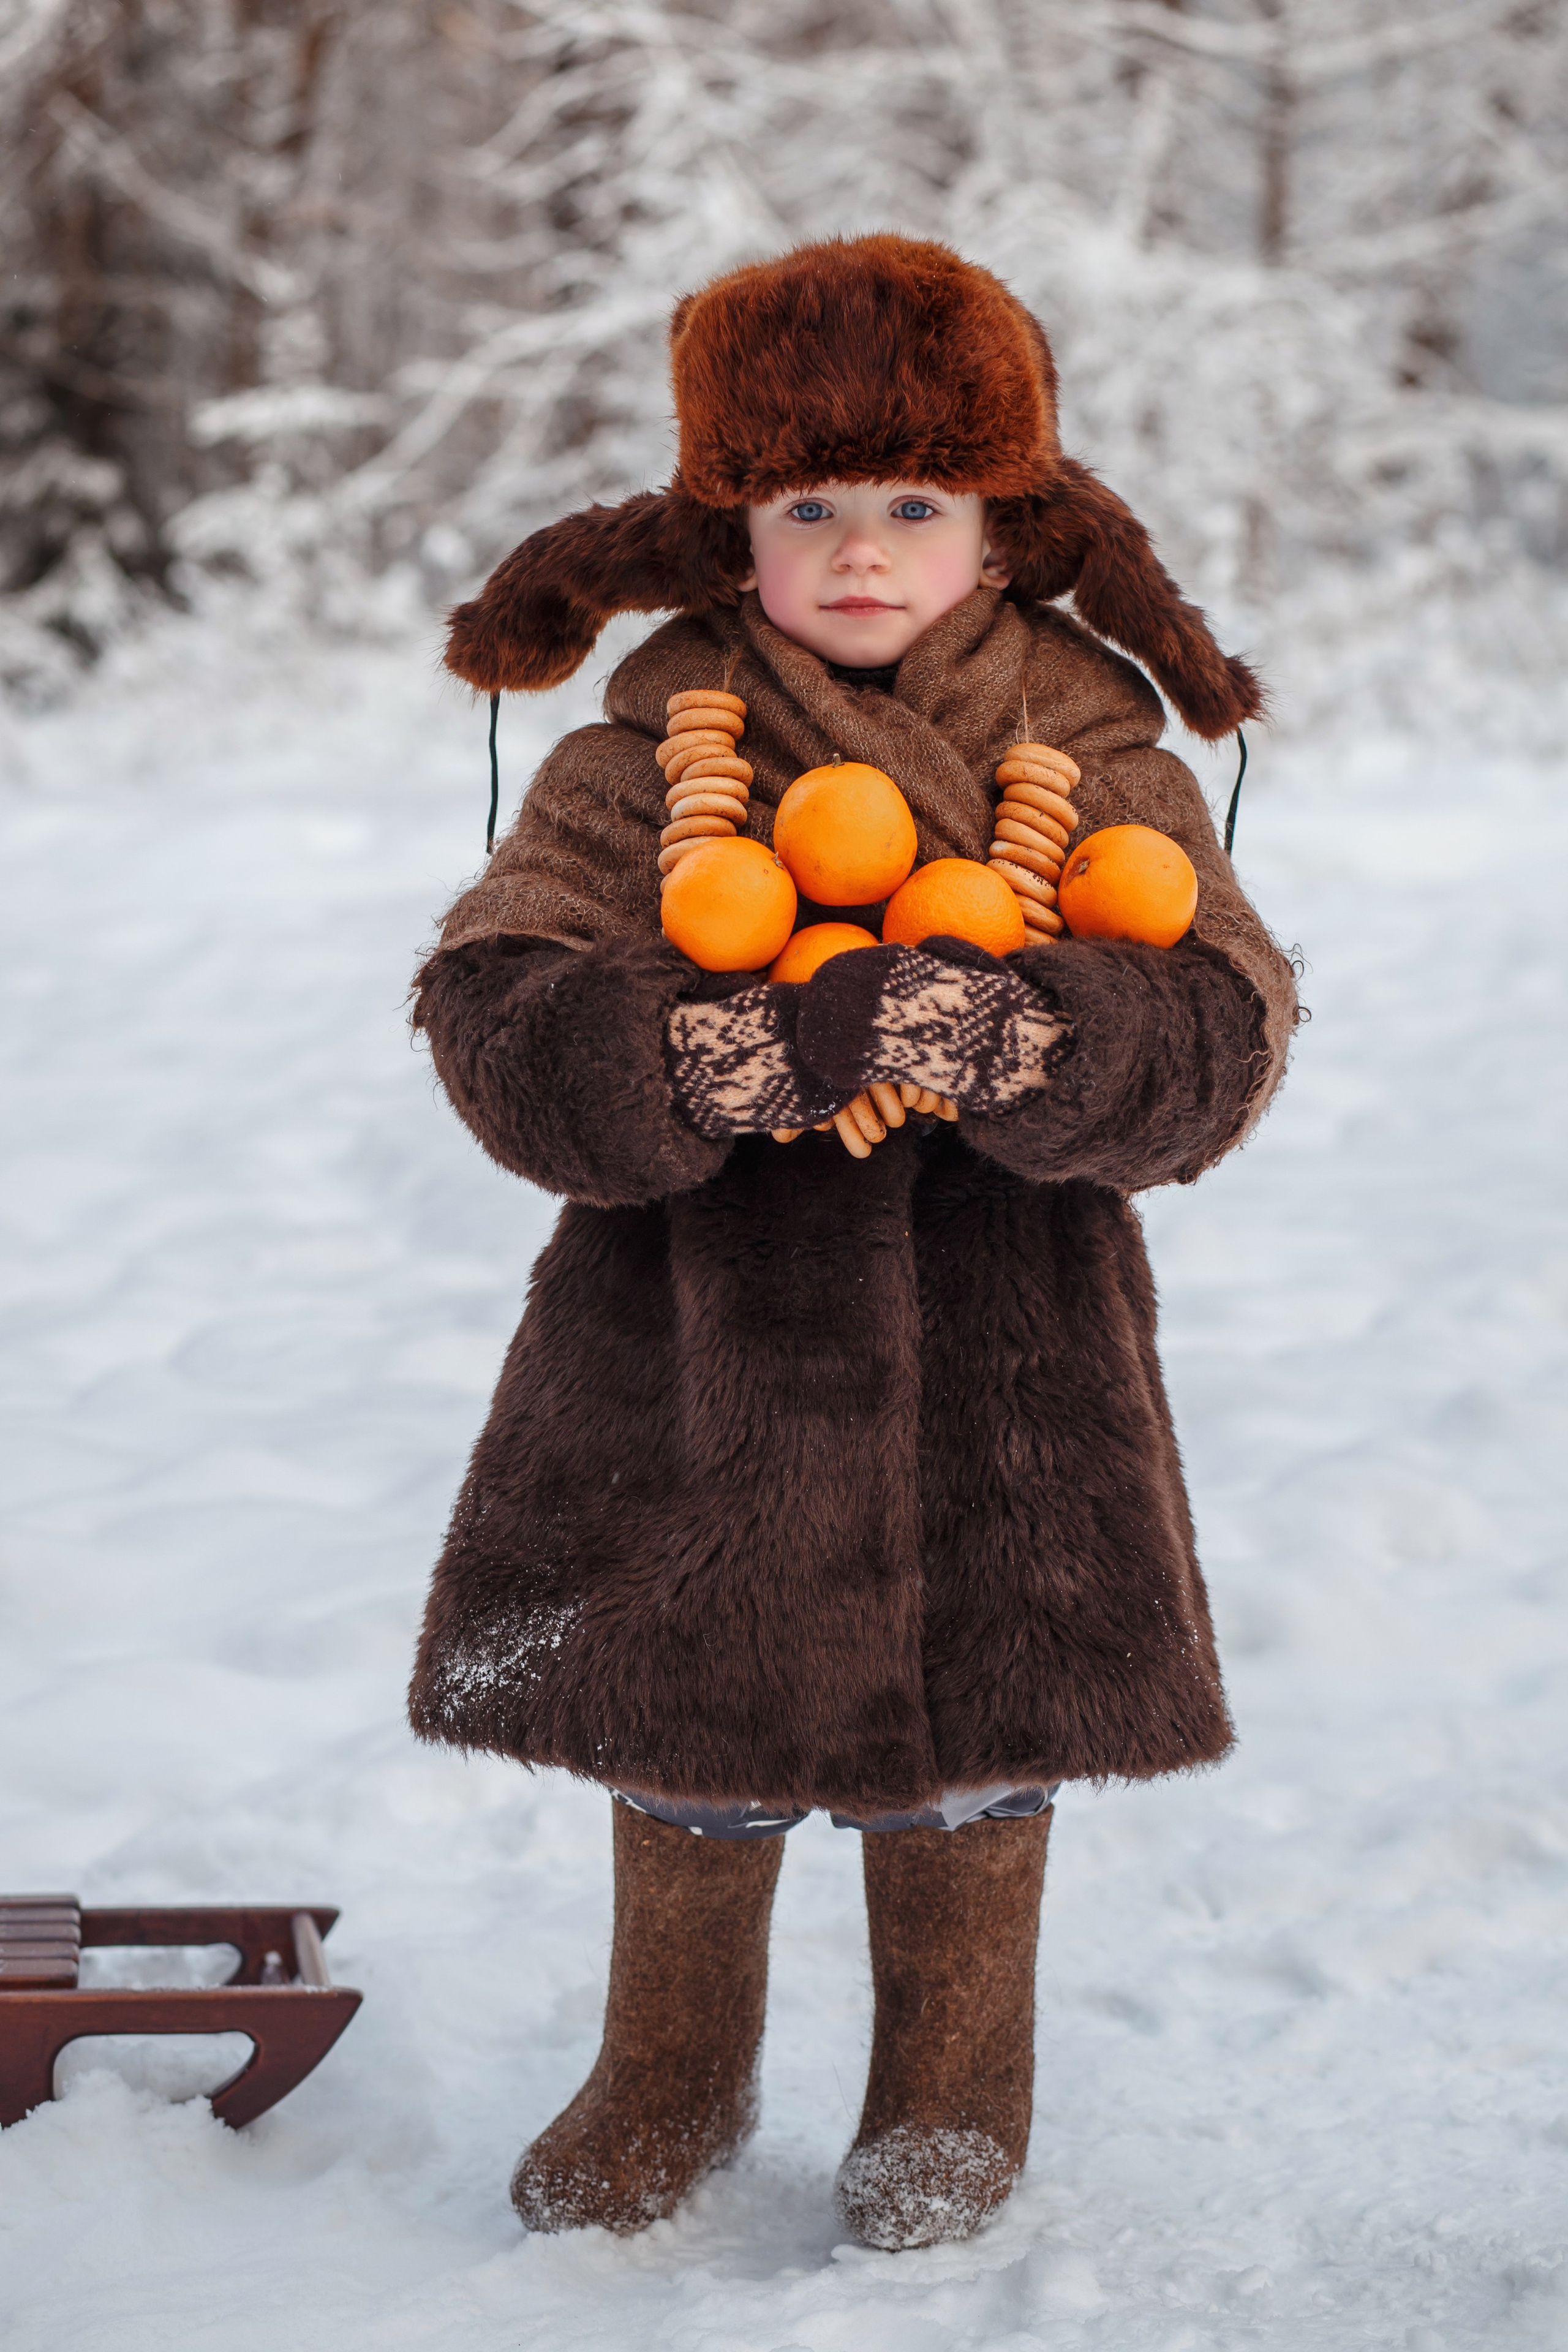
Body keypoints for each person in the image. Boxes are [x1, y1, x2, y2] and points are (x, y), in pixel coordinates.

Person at [407, 233, 1297, 2249]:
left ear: (1002, 528)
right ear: (736, 527)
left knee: (977, 1741)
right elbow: (494, 1009)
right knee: (688, 1720)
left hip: (1014, 1350)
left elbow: (1229, 1034)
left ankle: (955, 2090)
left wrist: (1048, 1036)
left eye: (916, 503)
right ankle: (672, 2069)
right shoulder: (639, 760)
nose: (866, 549)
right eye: (814, 507)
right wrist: (709, 1052)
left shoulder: (1104, 756)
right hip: (695, 1333)